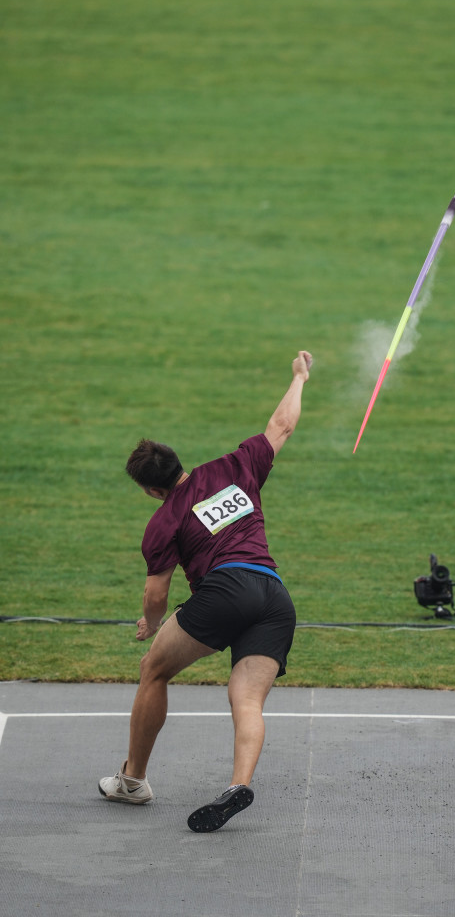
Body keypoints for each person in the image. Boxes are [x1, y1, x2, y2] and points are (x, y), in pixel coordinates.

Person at [98, 350, 313, 832]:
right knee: (248, 700)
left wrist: (151, 626)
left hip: (226, 590)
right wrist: (299, 377)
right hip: (275, 599)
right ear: (181, 463)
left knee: (154, 669)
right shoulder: (235, 466)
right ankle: (239, 784)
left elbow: (156, 594)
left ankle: (133, 782)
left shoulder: (163, 520)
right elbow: (282, 424)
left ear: (152, 490)